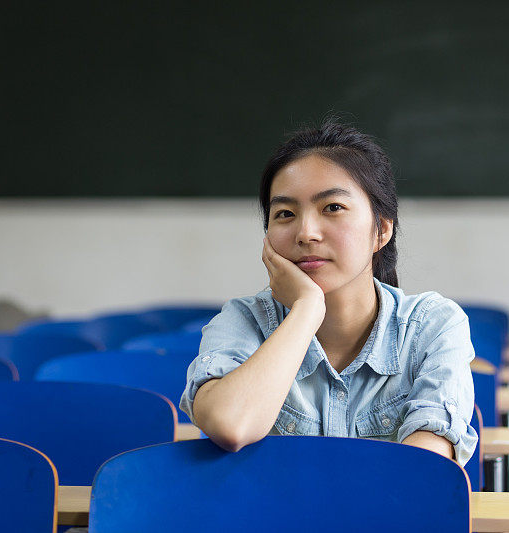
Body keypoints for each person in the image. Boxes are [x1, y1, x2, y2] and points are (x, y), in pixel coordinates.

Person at [180, 120, 478, 465]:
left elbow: (421, 474)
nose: (306, 233)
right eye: (285, 213)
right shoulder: (244, 320)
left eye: (332, 208)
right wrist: (306, 310)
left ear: (381, 229)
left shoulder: (432, 325)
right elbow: (231, 426)